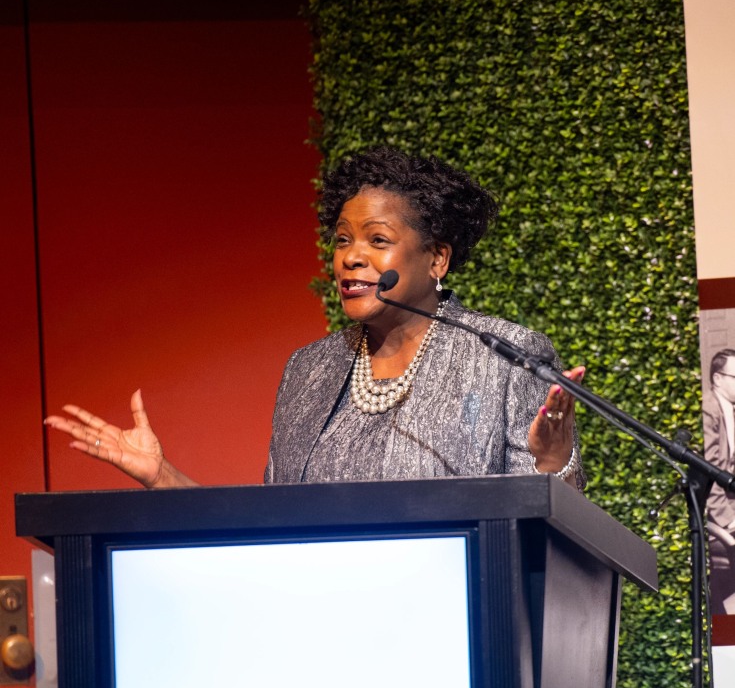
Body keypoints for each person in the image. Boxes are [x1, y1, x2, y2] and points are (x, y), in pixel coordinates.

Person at [44, 146, 585, 489]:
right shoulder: (310, 372)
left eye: (378, 240)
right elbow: (272, 528)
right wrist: (161, 476)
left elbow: (548, 539)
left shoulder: (506, 356)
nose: (351, 257)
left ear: (437, 258)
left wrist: (552, 465)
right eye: (343, 240)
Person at [703, 348, 735, 613]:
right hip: (716, 512)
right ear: (718, 379)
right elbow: (710, 473)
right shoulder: (709, 410)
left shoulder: (730, 410)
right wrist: (729, 520)